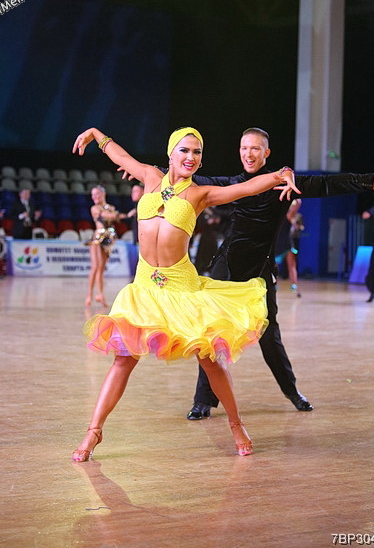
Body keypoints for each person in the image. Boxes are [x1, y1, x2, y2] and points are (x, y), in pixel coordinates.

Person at [71, 126, 300, 461]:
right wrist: (96, 135)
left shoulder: (199, 194)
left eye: (197, 152)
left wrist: (280, 175)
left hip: (182, 290)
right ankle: (94, 432)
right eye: (184, 150)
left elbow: (245, 188)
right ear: (170, 154)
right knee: (123, 359)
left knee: (210, 361)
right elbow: (120, 156)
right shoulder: (150, 177)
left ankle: (236, 424)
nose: (191, 157)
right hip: (144, 290)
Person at [184, 127, 374, 419]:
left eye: (255, 148)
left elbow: (325, 184)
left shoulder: (283, 184)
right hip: (227, 269)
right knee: (212, 336)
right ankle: (202, 401)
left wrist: (368, 181)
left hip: (260, 271)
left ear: (266, 153)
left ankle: (292, 391)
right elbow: (191, 179)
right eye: (244, 148)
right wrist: (151, 173)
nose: (248, 154)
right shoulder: (233, 184)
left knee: (270, 336)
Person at [84, 185, 119, 308]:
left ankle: (100, 294)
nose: (94, 197)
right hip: (97, 239)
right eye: (92, 194)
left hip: (107, 239)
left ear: (103, 194)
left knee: (102, 268)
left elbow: (112, 219)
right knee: (95, 266)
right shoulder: (95, 208)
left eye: (96, 194)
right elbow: (106, 215)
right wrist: (119, 215)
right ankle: (89, 295)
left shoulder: (111, 207)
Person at [275, 199, 303, 297]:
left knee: (290, 266)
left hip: (285, 245)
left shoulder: (287, 216)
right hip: (280, 245)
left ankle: (294, 287)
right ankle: (293, 287)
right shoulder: (285, 216)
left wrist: (295, 198)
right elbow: (298, 203)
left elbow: (298, 203)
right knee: (289, 267)